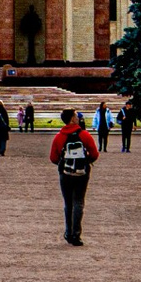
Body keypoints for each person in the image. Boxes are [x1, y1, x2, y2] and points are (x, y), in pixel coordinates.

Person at [51, 105, 97, 246]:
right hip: (82, 173)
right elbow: (95, 154)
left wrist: (63, 163)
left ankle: (68, 232)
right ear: (72, 119)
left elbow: (53, 158)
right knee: (79, 202)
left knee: (68, 203)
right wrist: (85, 161)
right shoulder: (84, 135)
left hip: (65, 173)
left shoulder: (59, 137)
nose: (78, 117)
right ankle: (76, 234)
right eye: (76, 115)